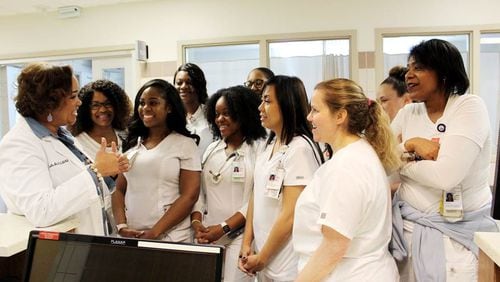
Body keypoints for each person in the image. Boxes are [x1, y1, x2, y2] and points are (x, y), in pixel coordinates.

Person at [391, 39, 498, 281]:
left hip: (457, 238)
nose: (409, 75)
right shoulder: (409, 113)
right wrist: (411, 145)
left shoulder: (469, 107)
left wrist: (404, 162)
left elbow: (446, 176)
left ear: (444, 72)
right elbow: (381, 160)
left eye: (418, 67)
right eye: (408, 68)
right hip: (409, 233)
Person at [0, 62, 128, 235]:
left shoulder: (61, 137)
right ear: (49, 103)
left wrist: (109, 171)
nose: (79, 102)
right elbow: (41, 210)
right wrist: (96, 171)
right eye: (73, 96)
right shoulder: (18, 144)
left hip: (89, 241)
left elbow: (82, 188)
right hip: (59, 252)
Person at [293, 78, 401, 281]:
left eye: (315, 110)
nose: (309, 117)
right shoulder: (357, 154)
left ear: (340, 116)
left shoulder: (346, 166)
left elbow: (334, 246)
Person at [239, 75, 323, 282]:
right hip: (265, 257)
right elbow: (255, 197)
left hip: (287, 262)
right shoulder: (268, 145)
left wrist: (263, 257)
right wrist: (247, 242)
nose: (260, 107)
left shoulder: (300, 148)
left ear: (287, 104)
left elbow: (291, 214)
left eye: (267, 101)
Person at [191, 86, 266, 282]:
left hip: (241, 237)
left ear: (244, 114)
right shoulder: (212, 149)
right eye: (217, 114)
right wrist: (197, 222)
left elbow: (256, 199)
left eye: (227, 113)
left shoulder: (259, 150)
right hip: (208, 235)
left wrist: (224, 227)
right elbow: (200, 193)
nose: (220, 119)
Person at [112, 79, 201, 242]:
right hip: (135, 236)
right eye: (142, 103)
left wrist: (154, 232)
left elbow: (190, 196)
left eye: (153, 103)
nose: (145, 108)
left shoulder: (185, 145)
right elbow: (118, 190)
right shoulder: (133, 147)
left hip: (171, 237)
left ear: (169, 107)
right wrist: (121, 226)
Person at [69, 79, 132, 158]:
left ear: (117, 106)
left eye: (108, 104)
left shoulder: (127, 135)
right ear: (85, 109)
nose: (103, 110)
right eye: (95, 105)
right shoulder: (77, 142)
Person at [173, 63, 213, 155]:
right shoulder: (171, 117)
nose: (183, 86)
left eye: (189, 82)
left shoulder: (212, 115)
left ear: (199, 85)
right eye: (179, 83)